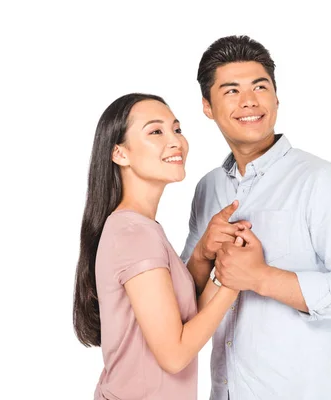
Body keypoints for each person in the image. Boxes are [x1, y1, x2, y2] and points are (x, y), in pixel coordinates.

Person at [181, 35, 331, 400]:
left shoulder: (321, 180)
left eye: (260, 87)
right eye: (231, 91)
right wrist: (201, 255)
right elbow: (181, 303)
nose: (250, 101)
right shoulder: (207, 189)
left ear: (276, 98)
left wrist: (261, 277)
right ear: (207, 106)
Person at [72, 93, 247, 400]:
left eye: (177, 129)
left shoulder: (138, 228)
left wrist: (208, 254)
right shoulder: (133, 233)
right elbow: (174, 355)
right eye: (156, 131)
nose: (175, 141)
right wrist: (233, 282)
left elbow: (179, 319)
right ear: (120, 154)